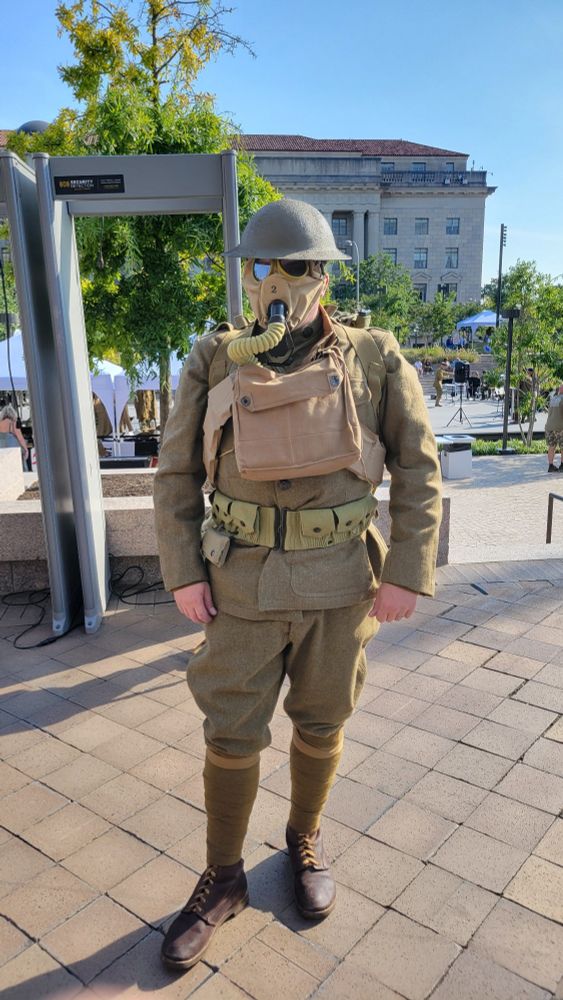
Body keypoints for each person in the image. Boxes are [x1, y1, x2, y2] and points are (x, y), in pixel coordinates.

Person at [153, 198, 442, 971]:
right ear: (243, 277)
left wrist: (408, 571)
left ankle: (301, 841)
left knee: (322, 721)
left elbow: (418, 468)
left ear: (323, 276)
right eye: (260, 267)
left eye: (297, 266)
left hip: (341, 582)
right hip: (241, 585)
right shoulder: (216, 356)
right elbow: (175, 471)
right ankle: (222, 877)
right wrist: (183, 571)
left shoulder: (373, 354)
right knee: (230, 734)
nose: (277, 282)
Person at [545, 384, 563, 472]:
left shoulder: (553, 399)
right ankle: (562, 466)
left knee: (551, 446)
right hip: (560, 427)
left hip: (549, 426)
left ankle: (551, 465)